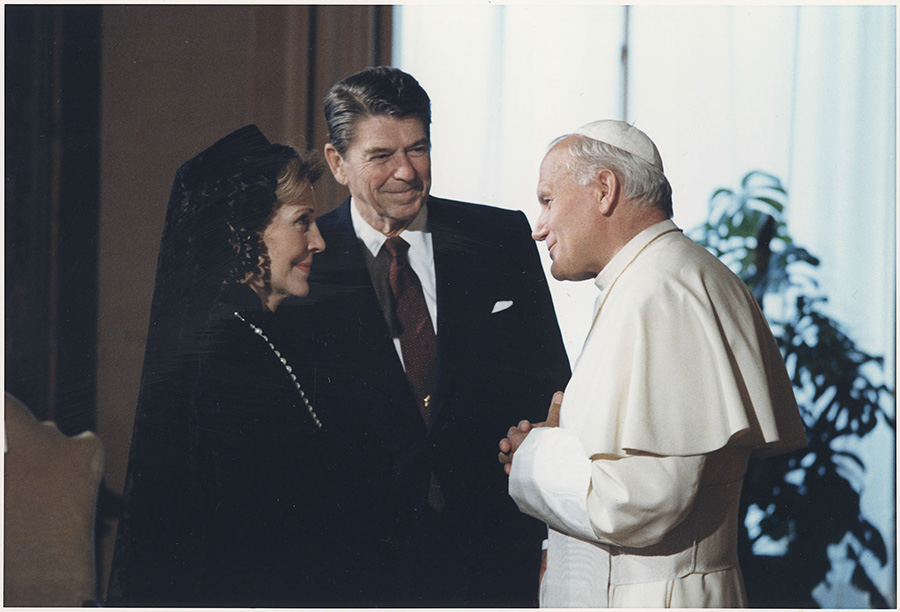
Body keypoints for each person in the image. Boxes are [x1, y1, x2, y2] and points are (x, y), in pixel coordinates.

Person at [278, 66, 571, 606]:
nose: (405, 172)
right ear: (338, 163)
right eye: (381, 155)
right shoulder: (306, 263)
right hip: (354, 569)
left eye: (418, 149)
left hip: (491, 558)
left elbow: (552, 387)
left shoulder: (499, 238)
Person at [498, 120, 807, 608]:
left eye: (547, 200)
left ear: (604, 190)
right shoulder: (669, 275)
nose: (539, 228)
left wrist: (534, 455)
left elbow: (641, 503)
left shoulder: (658, 290)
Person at [107, 125, 340, 605]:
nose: (319, 241)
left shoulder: (261, 335)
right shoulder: (220, 355)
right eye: (302, 222)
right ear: (242, 233)